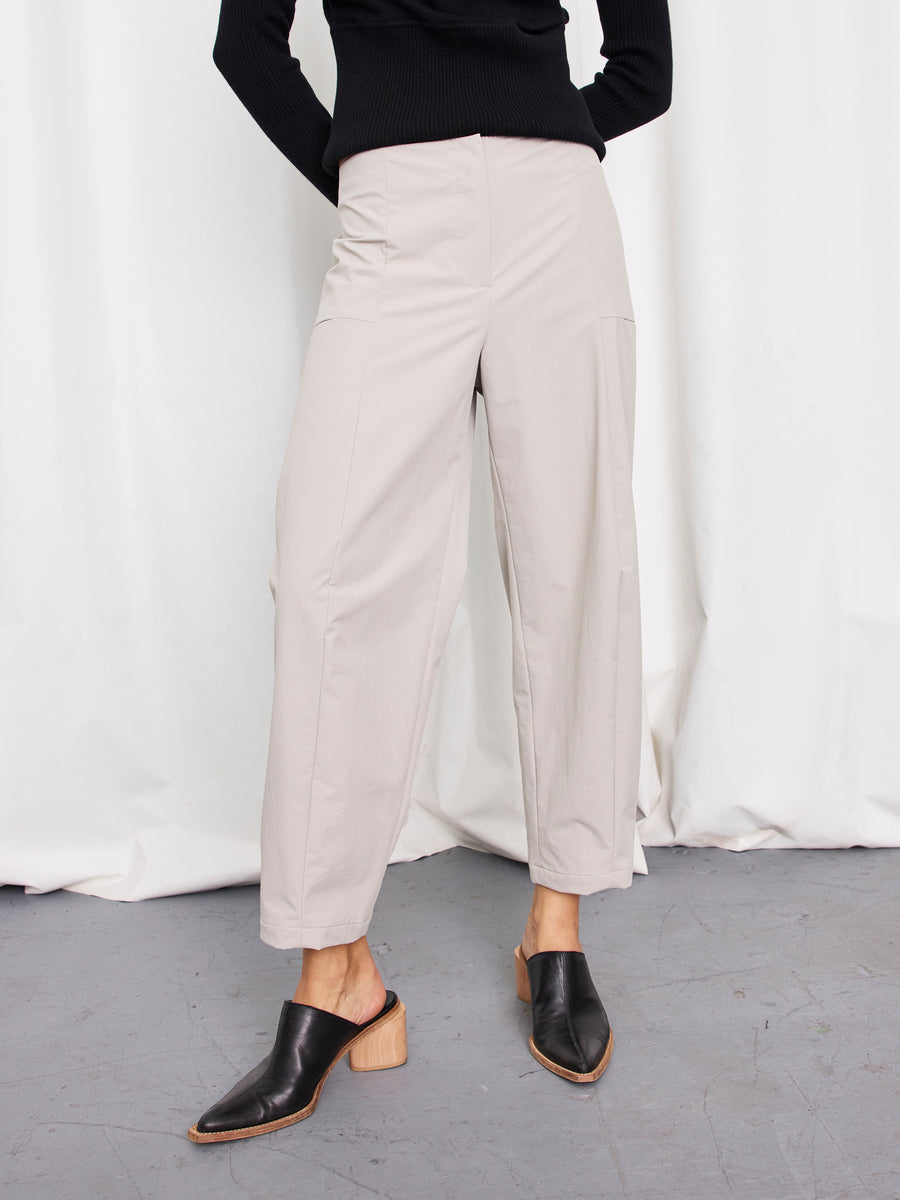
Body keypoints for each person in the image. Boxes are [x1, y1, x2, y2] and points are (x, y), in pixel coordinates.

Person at [188, 0, 672, 1144]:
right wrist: (365, 164)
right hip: (394, 213)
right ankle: (336, 974)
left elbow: (642, 70)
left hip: (557, 212)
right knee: (331, 581)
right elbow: (246, 41)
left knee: (575, 564)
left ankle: (557, 924)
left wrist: (540, 133)